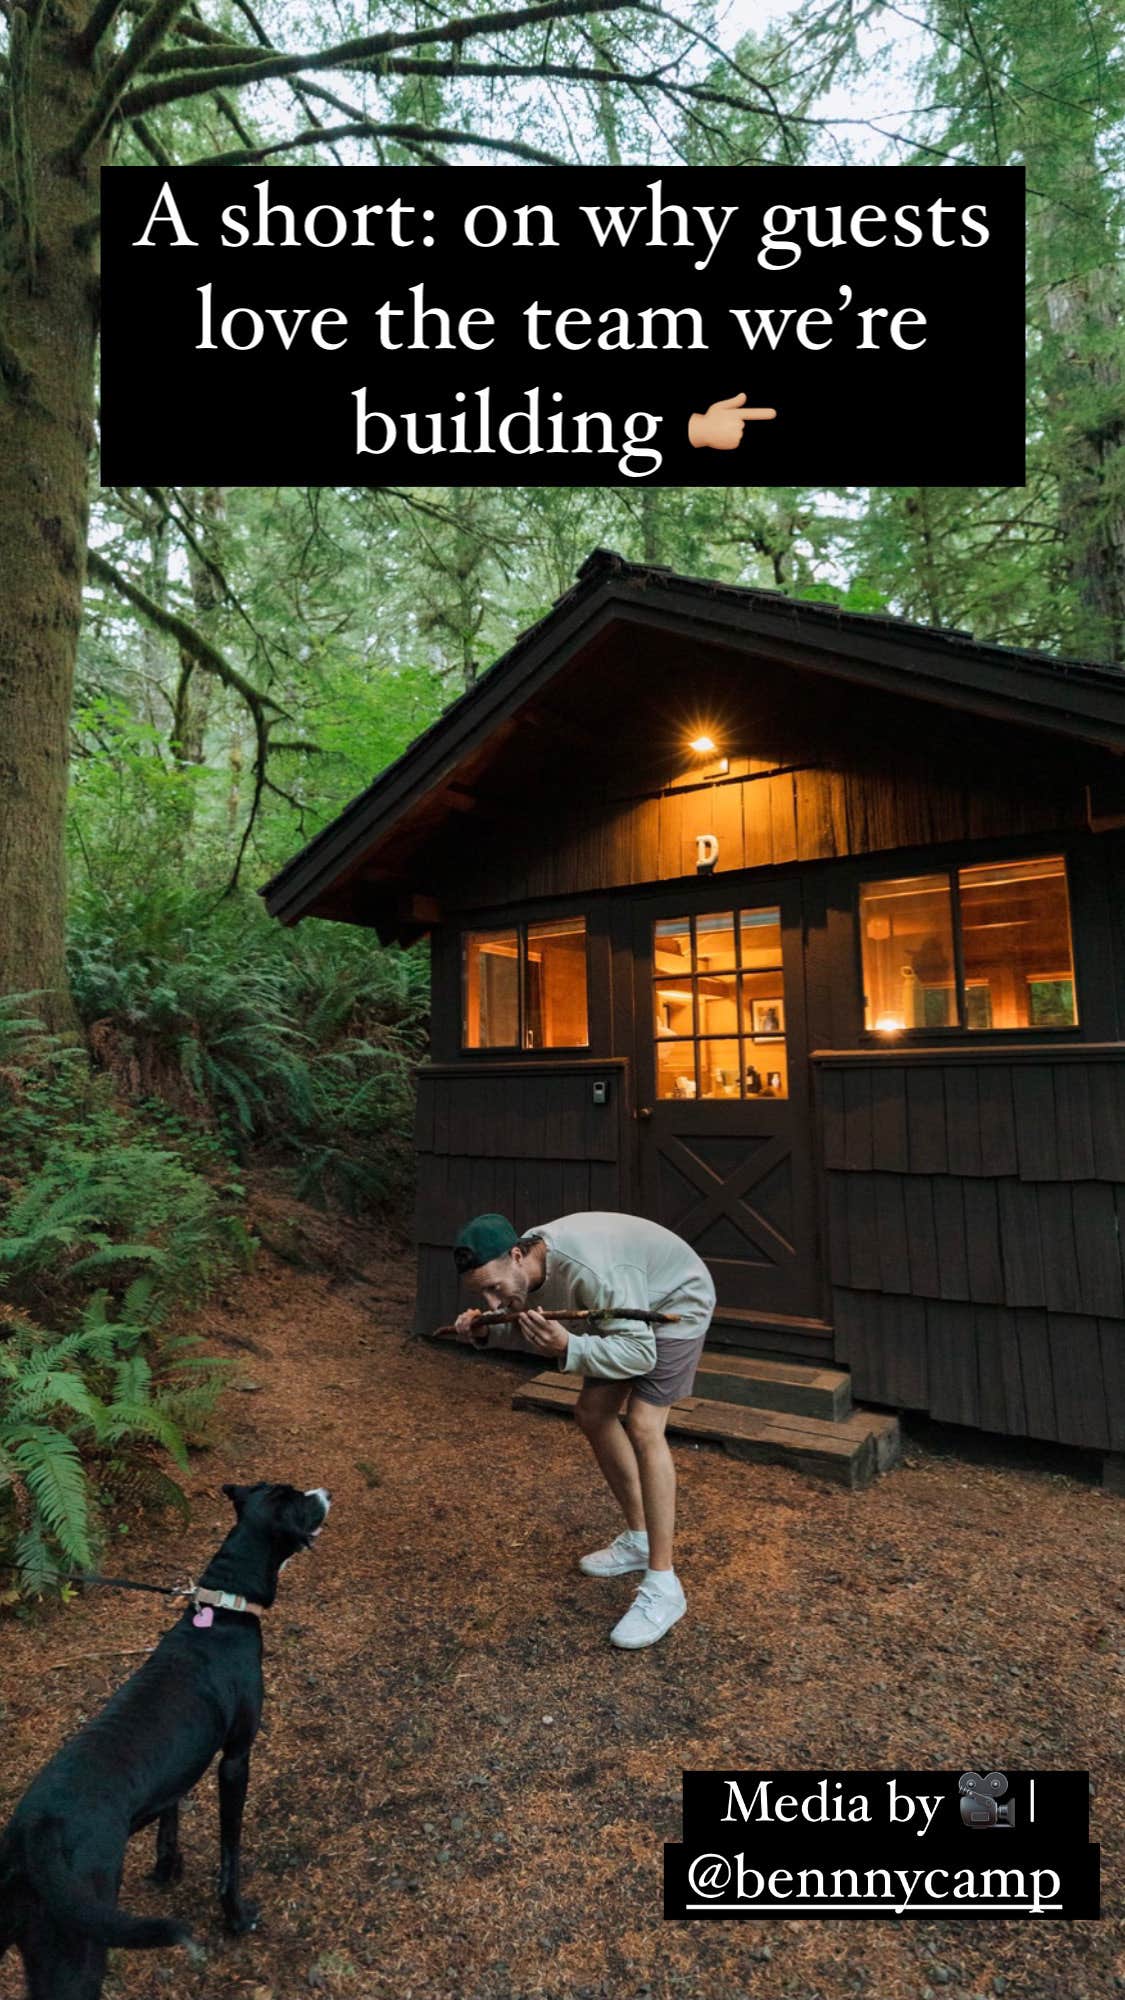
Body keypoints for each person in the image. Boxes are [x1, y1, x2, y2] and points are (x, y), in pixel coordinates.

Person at [451, 1210, 716, 1649]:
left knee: (645, 1425)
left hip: (673, 1303)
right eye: (481, 1293)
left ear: (517, 1255)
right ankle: (638, 1539)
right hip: (624, 1315)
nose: (493, 1301)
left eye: (494, 1289)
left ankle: (664, 1585)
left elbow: (640, 1354)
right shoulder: (526, 1270)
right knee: (593, 1412)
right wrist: (482, 1330)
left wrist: (571, 1345)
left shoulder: (590, 1267)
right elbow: (522, 1319)